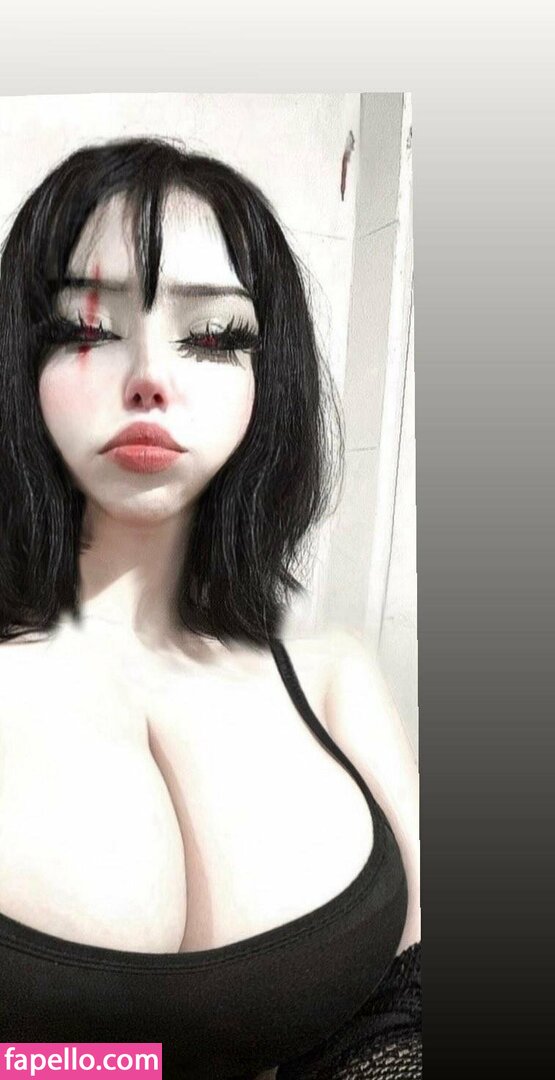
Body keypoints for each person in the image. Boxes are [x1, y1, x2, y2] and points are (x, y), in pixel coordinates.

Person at [0, 138, 421, 1079]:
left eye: (216, 334)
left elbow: (410, 1009)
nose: (150, 375)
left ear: (268, 379)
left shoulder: (335, 679)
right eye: (87, 328)